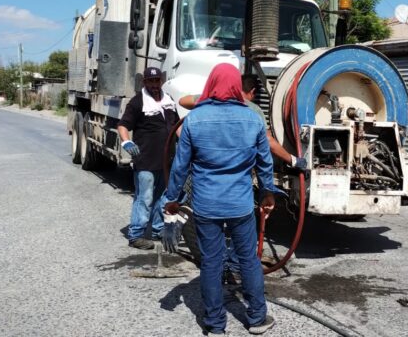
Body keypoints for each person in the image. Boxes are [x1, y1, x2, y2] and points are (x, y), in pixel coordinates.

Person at [163, 63, 282, 335]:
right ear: (236, 86)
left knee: (211, 262)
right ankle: (256, 318)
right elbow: (265, 163)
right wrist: (267, 193)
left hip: (206, 205)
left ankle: (215, 325)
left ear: (213, 84)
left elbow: (180, 165)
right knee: (249, 260)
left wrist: (172, 199)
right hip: (240, 205)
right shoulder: (252, 119)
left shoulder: (194, 119)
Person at [178, 74, 307, 169]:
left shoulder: (213, 100)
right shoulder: (254, 109)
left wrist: (209, 97)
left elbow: (182, 101)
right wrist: (292, 160)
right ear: (253, 92)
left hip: (208, 165)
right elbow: (268, 141)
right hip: (237, 169)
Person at [118, 66, 179, 250]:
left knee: (162, 197)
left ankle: (157, 230)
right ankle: (136, 234)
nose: (154, 84)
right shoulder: (138, 102)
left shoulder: (169, 101)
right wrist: (126, 142)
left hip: (165, 161)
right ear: (144, 82)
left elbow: (177, 127)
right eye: (150, 81)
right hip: (145, 160)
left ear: (161, 81)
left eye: (157, 80)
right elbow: (122, 125)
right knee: (144, 198)